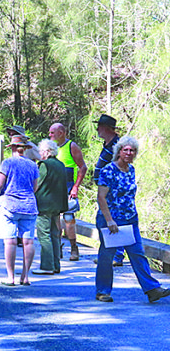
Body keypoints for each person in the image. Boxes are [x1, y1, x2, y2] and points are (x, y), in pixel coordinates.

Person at [94, 136, 170, 303]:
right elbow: (101, 197)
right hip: (111, 219)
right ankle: (103, 291)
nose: (129, 153)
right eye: (126, 150)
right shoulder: (108, 170)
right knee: (107, 256)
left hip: (130, 218)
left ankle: (152, 289)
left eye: (132, 150)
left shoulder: (131, 170)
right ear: (119, 151)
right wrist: (109, 220)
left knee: (137, 253)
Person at [0, 135, 39, 285]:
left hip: (10, 205)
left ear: (12, 147)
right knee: (28, 242)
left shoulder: (7, 163)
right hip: (29, 205)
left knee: (10, 242)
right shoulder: (33, 165)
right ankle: (25, 277)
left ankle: (10, 277)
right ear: (25, 149)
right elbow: (35, 187)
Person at [48, 122, 87, 262]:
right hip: (53, 189)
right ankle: (57, 247)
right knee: (54, 219)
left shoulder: (71, 146)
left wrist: (76, 186)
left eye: (52, 133)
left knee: (69, 218)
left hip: (68, 187)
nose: (50, 135)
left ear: (61, 133)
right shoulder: (50, 147)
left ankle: (74, 248)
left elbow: (82, 167)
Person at [32, 139, 68, 275]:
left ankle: (47, 266)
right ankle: (56, 265)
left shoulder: (44, 165)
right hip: (57, 205)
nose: (40, 154)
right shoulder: (61, 165)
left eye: (41, 151)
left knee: (44, 235)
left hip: (44, 205)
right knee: (54, 234)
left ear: (47, 152)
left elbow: (37, 184)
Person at [94, 114, 125, 266]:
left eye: (99, 126)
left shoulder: (117, 146)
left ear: (106, 128)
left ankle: (117, 256)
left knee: (114, 220)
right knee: (103, 221)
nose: (97, 129)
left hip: (113, 191)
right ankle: (108, 255)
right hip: (105, 190)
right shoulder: (108, 145)